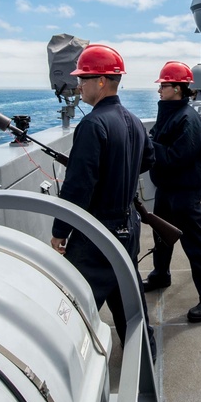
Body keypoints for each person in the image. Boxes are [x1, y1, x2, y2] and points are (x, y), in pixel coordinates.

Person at [50, 43, 158, 357]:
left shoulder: (92, 125)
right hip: (128, 228)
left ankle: (62, 375)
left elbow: (78, 189)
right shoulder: (134, 122)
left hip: (96, 236)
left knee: (71, 311)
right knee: (130, 306)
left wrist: (60, 232)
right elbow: (147, 159)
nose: (78, 85)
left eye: (83, 78)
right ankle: (145, 362)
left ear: (101, 82)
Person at [141, 61, 201, 323]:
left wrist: (148, 145)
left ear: (177, 88)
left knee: (196, 244)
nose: (159, 91)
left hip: (184, 194)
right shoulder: (171, 113)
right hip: (166, 189)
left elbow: (177, 156)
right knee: (161, 236)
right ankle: (160, 274)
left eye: (163, 85)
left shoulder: (188, 119)